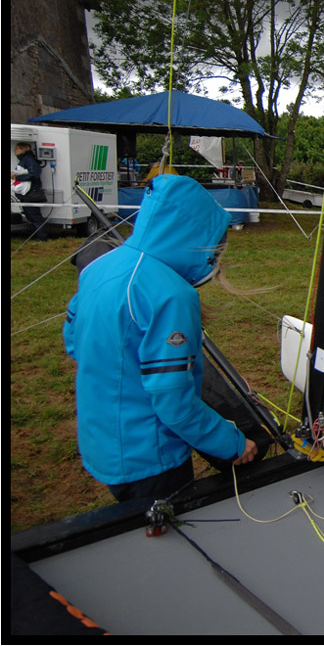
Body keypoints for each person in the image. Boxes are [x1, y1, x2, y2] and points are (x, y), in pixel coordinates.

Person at [62, 174, 258, 503]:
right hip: (151, 458)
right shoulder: (171, 294)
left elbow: (73, 340)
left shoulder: (99, 267)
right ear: (195, 234)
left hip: (102, 442)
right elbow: (173, 402)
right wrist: (232, 443)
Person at [11, 142, 49, 241]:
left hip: (32, 193)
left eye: (17, 148)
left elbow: (34, 175)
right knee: (30, 215)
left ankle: (42, 237)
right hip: (26, 193)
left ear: (23, 149)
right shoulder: (24, 160)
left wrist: (17, 176)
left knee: (34, 215)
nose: (15, 150)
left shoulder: (29, 160)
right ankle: (37, 236)